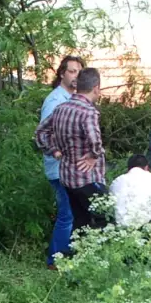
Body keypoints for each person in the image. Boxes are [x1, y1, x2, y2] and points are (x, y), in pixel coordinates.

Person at [34, 68, 107, 235]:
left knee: (79, 222)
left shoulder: (61, 108)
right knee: (103, 218)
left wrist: (53, 150)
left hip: (67, 177)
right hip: (87, 178)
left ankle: (76, 250)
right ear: (96, 88)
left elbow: (40, 132)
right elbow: (95, 141)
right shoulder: (88, 111)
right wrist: (94, 156)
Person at [39, 55, 84, 268]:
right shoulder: (55, 101)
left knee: (73, 213)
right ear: (62, 74)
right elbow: (44, 134)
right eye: (72, 71)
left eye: (79, 72)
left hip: (72, 169)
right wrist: (57, 153)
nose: (76, 76)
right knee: (67, 214)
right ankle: (55, 261)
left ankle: (67, 256)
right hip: (59, 169)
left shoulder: (74, 99)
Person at [109, 154, 151, 228]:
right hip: (147, 227)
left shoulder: (117, 181)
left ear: (128, 168)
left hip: (119, 227)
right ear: (146, 167)